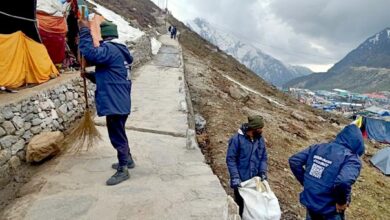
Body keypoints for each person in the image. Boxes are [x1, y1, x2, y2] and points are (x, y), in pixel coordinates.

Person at [78, 19, 135, 186]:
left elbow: (90, 53)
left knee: (116, 135)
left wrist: (84, 32)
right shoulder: (120, 52)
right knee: (120, 131)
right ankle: (128, 159)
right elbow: (109, 78)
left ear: (104, 36)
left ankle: (123, 169)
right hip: (120, 99)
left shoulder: (109, 49)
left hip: (114, 101)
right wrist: (89, 76)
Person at [289, 124, 365, 220]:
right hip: (329, 209)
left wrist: (307, 182)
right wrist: (341, 202)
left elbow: (295, 161)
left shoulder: (318, 147)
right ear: (359, 143)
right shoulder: (351, 159)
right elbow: (343, 181)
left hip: (311, 201)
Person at [226, 115, 268, 216]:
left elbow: (263, 157)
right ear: (253, 128)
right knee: (241, 206)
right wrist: (235, 177)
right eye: (260, 128)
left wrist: (262, 171)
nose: (262, 130)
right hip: (241, 181)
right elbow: (231, 160)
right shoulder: (237, 140)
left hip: (255, 180)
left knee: (254, 206)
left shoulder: (259, 140)